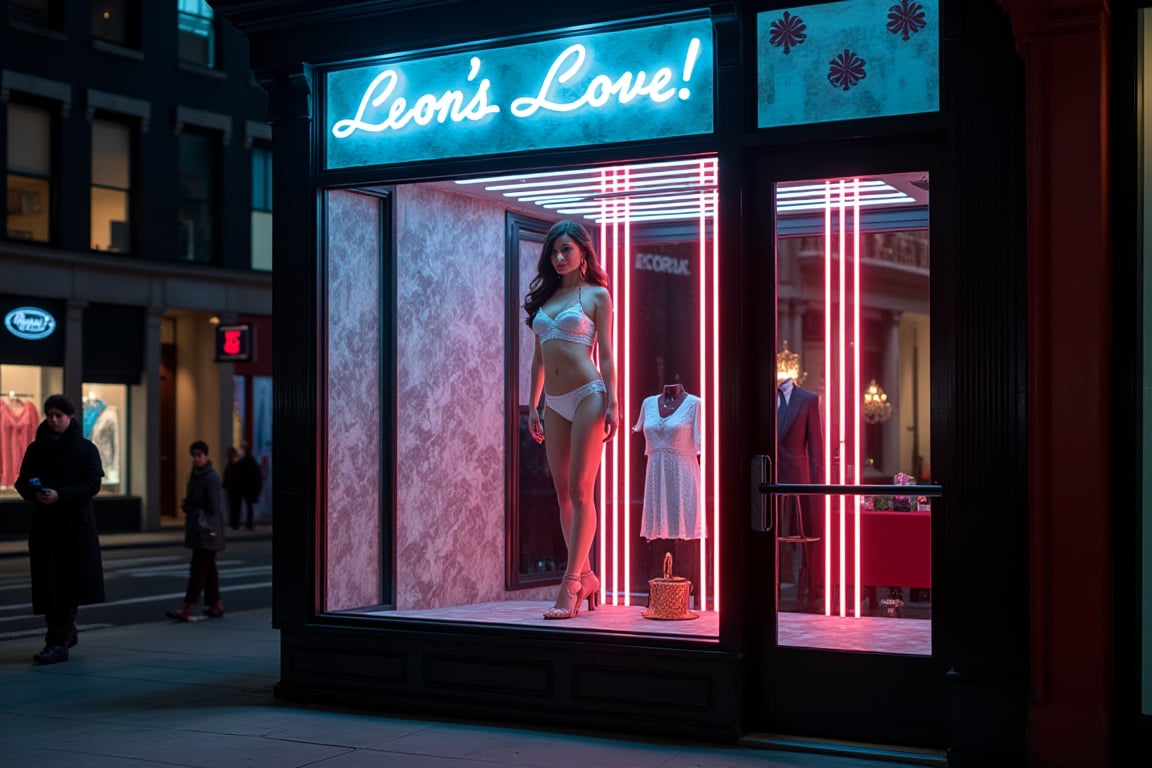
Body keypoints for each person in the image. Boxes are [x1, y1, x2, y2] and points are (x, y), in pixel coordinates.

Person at [524, 219, 619, 619]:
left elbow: (608, 355)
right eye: (554, 251)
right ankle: (588, 574)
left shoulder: (597, 295)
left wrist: (614, 402)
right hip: (554, 402)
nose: (559, 257)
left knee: (581, 491)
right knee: (562, 493)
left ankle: (571, 585)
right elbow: (538, 359)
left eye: (567, 250)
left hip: (588, 396)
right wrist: (531, 405)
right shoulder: (544, 303)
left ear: (583, 253)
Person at [14, 394, 105, 664]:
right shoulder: (36, 448)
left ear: (70, 417)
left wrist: (60, 495)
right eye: (50, 415)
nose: (53, 421)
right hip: (44, 525)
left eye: (59, 416)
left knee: (67, 584)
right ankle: (65, 633)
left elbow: (91, 485)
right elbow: (21, 483)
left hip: (74, 527)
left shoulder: (86, 449)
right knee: (46, 585)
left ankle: (57, 642)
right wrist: (35, 492)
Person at [776, 374, 825, 613]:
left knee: (805, 538)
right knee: (770, 537)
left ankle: (808, 589)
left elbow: (815, 446)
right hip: (766, 481)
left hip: (798, 480)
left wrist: (817, 487)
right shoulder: (762, 397)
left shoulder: (807, 400)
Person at [166, 440, 226, 621]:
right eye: (194, 455)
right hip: (200, 529)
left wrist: (194, 508)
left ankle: (187, 607)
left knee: (199, 569)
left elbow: (214, 508)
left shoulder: (210, 477)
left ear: (206, 456)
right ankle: (215, 604)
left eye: (199, 455)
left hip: (207, 531)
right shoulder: (196, 475)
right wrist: (188, 504)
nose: (196, 459)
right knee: (208, 570)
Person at [222, 443, 262, 530]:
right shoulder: (241, 462)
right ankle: (240, 524)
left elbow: (247, 476)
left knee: (239, 506)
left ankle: (243, 524)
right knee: (237, 507)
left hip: (241, 488)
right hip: (239, 488)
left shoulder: (244, 462)